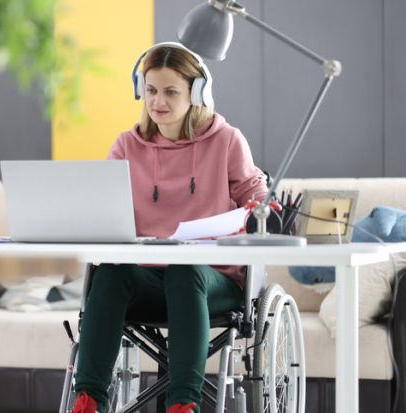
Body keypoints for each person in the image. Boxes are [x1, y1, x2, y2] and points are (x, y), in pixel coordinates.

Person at [70, 42, 268, 413]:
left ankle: (182, 406)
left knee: (185, 269)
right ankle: (89, 401)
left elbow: (254, 195)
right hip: (147, 280)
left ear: (197, 93)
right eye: (151, 90)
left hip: (213, 281)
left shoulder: (226, 141)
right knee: (109, 274)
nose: (157, 102)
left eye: (170, 92)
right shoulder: (127, 145)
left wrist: (259, 202)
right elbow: (100, 204)